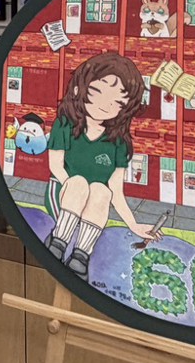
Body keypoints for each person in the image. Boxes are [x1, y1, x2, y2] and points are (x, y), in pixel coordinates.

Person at [45, 51, 159, 279]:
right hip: (63, 190)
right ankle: (58, 240)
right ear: (79, 89)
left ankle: (81, 254)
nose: (105, 106)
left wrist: (134, 225)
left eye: (116, 102)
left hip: (95, 204)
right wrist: (75, 188)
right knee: (80, 184)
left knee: (101, 190)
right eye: (98, 92)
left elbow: (116, 190)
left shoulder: (118, 142)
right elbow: (56, 166)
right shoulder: (66, 124)